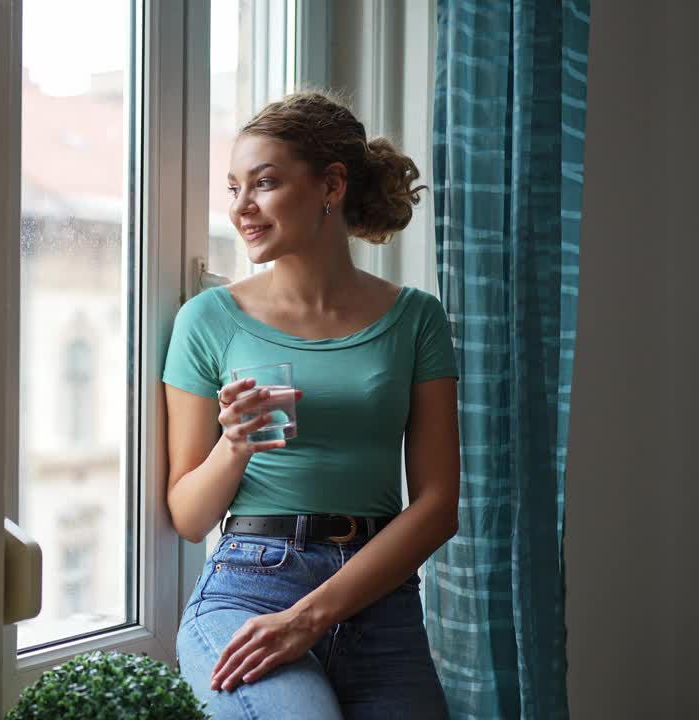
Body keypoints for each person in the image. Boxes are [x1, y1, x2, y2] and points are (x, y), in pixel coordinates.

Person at [163, 91, 459, 719]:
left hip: (380, 599)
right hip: (248, 589)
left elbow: (437, 508)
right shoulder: (208, 320)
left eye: (264, 184)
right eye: (234, 187)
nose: (241, 207)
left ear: (331, 184)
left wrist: (308, 619)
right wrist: (234, 445)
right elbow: (189, 516)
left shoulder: (415, 318)